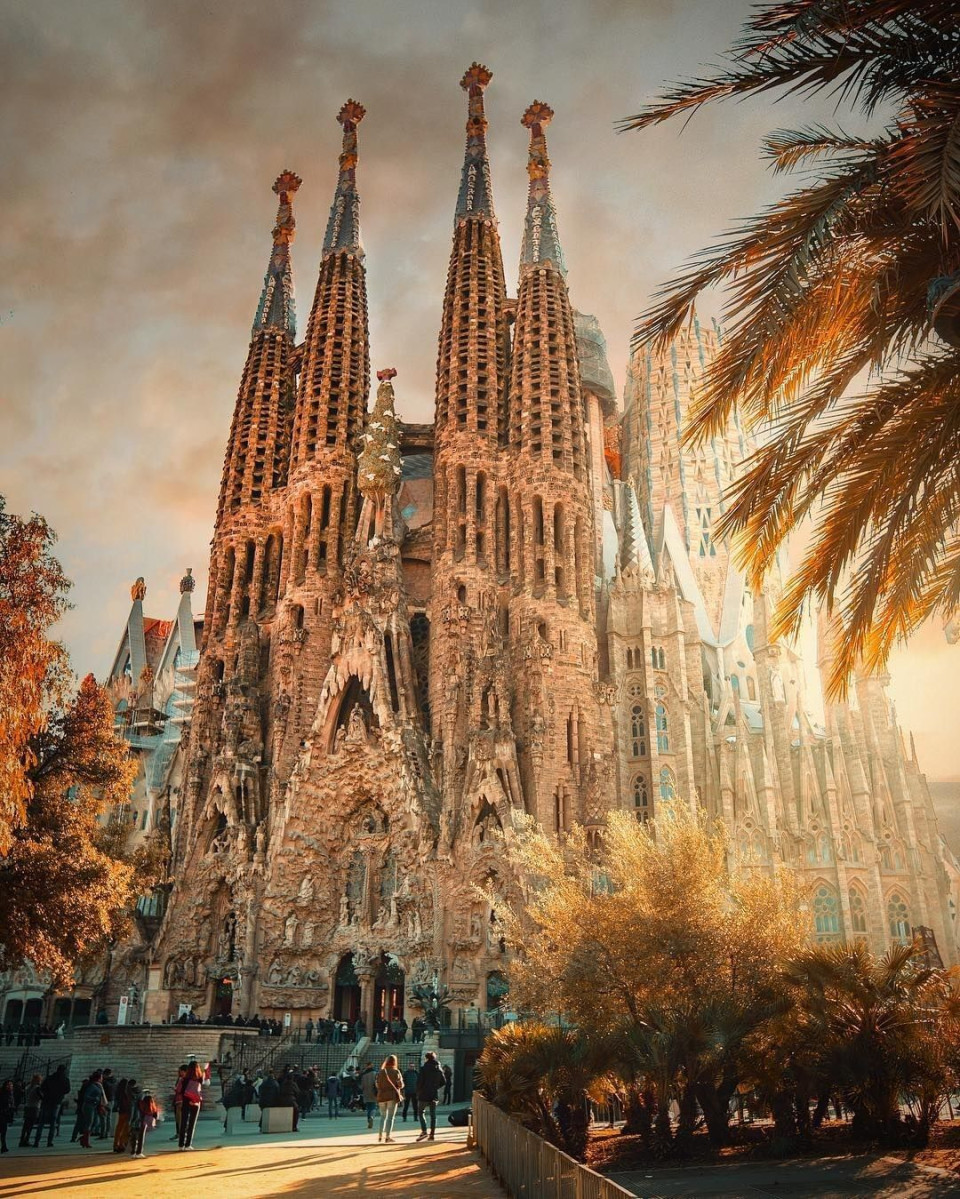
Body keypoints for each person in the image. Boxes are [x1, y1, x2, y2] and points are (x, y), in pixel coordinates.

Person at [34, 1064, 70, 1148]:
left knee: (41, 1122)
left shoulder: (49, 1078)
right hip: (56, 1102)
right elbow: (67, 1090)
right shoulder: (65, 1079)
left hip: (46, 1101)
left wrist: (46, 1095)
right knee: (53, 1122)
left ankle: (37, 1141)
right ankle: (49, 1141)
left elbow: (42, 1088)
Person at [415, 1051, 446, 1143]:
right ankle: (432, 1134)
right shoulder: (438, 1069)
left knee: (421, 1112)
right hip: (433, 1094)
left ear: (426, 1058)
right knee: (433, 1115)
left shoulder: (424, 1068)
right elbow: (443, 1082)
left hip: (424, 1094)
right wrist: (436, 1087)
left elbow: (419, 1082)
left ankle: (424, 1131)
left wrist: (418, 1091)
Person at [375, 1054, 403, 1144]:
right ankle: (388, 1136)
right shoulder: (396, 1071)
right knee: (390, 1117)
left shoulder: (380, 1072)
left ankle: (380, 1135)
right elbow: (400, 1085)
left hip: (381, 1095)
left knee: (382, 1117)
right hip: (391, 1096)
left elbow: (377, 1084)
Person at [177, 1061, 204, 1149]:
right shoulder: (200, 1078)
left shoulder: (184, 1079)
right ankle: (188, 1144)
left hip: (186, 1102)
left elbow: (179, 1091)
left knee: (183, 1123)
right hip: (195, 1102)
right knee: (192, 1123)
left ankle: (181, 1145)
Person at [77, 1071, 107, 1149]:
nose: (102, 1079)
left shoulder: (98, 1085)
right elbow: (86, 1096)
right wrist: (95, 1099)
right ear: (98, 1078)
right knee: (89, 1123)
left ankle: (84, 1138)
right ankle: (86, 1141)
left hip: (94, 1106)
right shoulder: (92, 1086)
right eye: (101, 1077)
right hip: (89, 1106)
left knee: (95, 1122)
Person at [129, 1090, 159, 1158]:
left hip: (134, 1122)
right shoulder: (149, 1103)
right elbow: (153, 1112)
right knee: (141, 1138)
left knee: (133, 1137)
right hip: (142, 1122)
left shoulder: (135, 1102)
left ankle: (133, 1152)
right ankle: (139, 1152)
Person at [113, 1078, 137, 1153]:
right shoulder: (128, 1092)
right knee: (126, 1129)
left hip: (121, 1111)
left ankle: (116, 1144)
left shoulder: (118, 1092)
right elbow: (131, 1102)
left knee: (119, 1128)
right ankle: (122, 1144)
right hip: (127, 1111)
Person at [19, 1073, 42, 1147]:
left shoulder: (28, 1087)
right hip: (34, 1107)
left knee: (25, 1125)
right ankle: (26, 1140)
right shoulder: (37, 1088)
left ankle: (22, 1140)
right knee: (30, 1126)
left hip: (27, 1106)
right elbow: (41, 1097)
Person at [279, 1068, 301, 1132]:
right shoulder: (293, 1083)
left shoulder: (283, 1083)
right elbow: (297, 1092)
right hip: (291, 1099)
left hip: (282, 1100)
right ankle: (294, 1126)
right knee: (296, 1111)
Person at [359, 1061, 378, 1129]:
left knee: (368, 1107)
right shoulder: (375, 1073)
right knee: (373, 1106)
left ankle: (369, 1119)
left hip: (366, 1092)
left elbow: (361, 1085)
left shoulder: (363, 1074)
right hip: (374, 1091)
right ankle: (372, 1117)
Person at [0, 1080, 14, 1153]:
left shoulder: (10, 1094)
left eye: (11, 1085)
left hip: (5, 1115)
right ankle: (3, 1146)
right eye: (8, 1085)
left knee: (3, 1132)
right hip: (2, 1114)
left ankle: (4, 1146)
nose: (10, 1086)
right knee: (3, 1131)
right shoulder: (3, 1094)